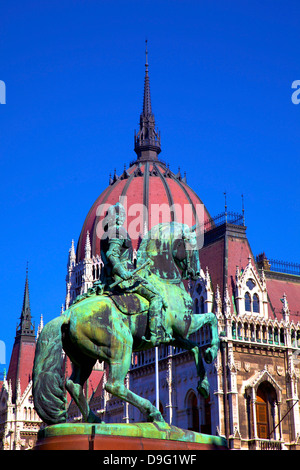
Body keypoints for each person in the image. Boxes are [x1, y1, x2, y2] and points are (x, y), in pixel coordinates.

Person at [100, 202, 170, 346]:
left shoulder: (105, 235)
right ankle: (155, 335)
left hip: (107, 278)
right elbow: (112, 254)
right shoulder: (117, 231)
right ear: (118, 217)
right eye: (123, 215)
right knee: (156, 296)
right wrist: (123, 272)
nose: (124, 218)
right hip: (125, 278)